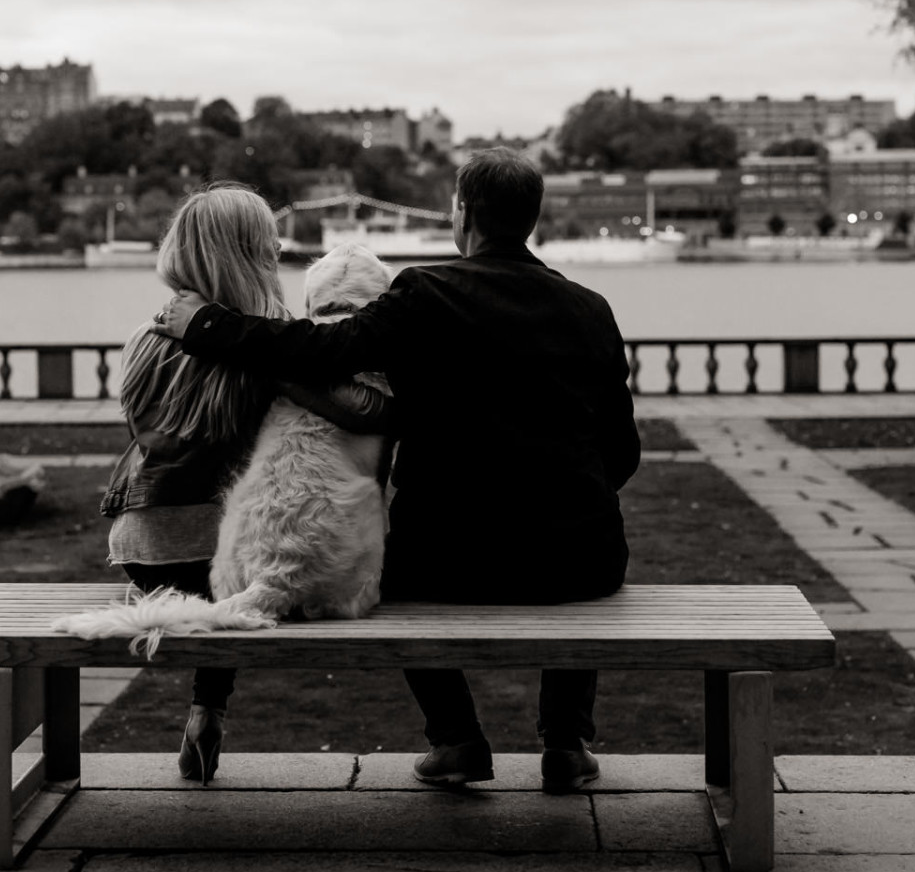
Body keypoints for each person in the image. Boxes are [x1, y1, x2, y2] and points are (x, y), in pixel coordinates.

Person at [155, 149, 641, 794]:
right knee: (579, 540)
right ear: (531, 217)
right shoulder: (591, 309)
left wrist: (207, 324)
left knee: (392, 572)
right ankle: (566, 743)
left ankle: (458, 740)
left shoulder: (428, 292)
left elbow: (324, 349)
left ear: (461, 212)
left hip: (449, 558)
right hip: (580, 560)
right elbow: (623, 453)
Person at [103, 184, 390, 783]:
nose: (277, 250)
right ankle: (207, 708)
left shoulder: (144, 338)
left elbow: (144, 433)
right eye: (266, 246)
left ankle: (207, 712)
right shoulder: (264, 341)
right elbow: (363, 411)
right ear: (242, 255)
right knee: (242, 559)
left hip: (139, 543)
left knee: (223, 575)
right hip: (210, 542)